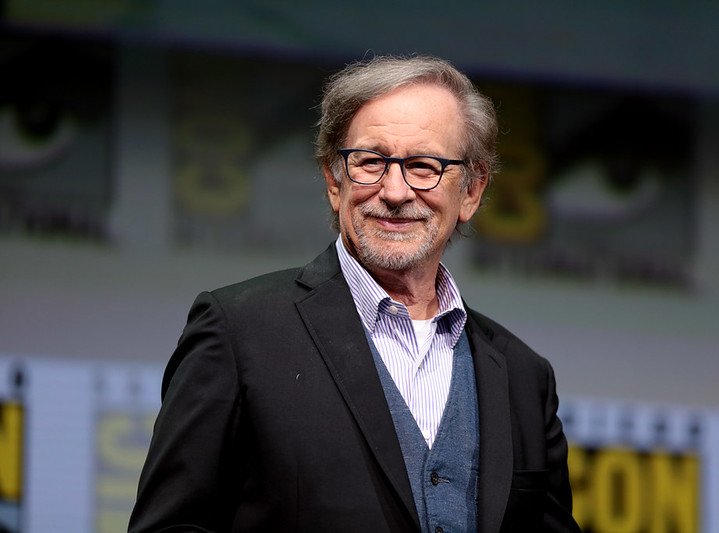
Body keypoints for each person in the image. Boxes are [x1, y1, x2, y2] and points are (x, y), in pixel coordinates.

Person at [129, 55, 581, 532]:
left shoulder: (522, 377)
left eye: (423, 167)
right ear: (333, 180)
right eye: (370, 162)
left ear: (471, 191)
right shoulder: (238, 332)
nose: (395, 191)